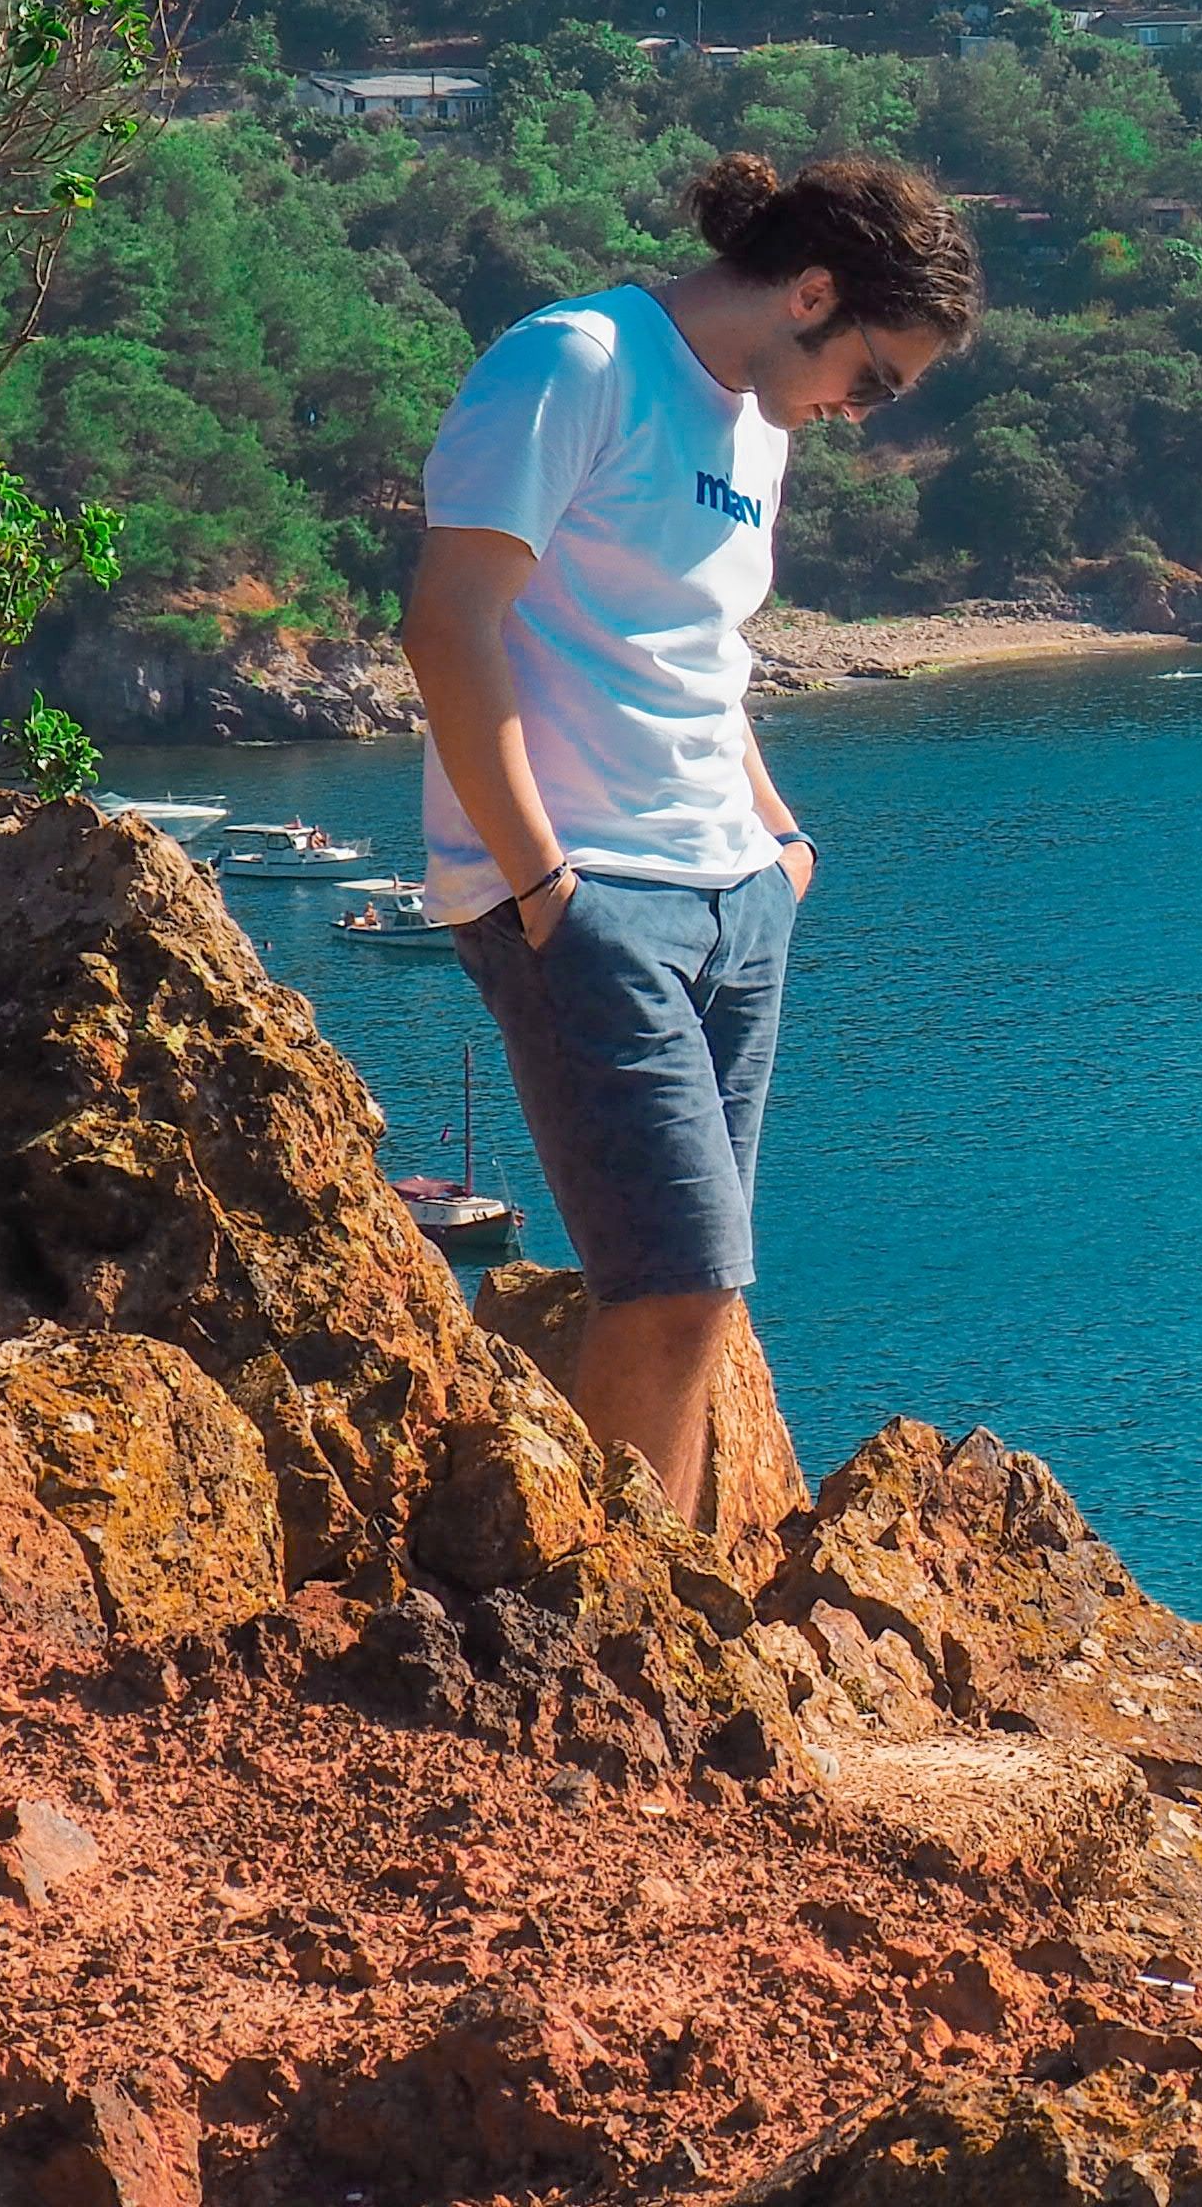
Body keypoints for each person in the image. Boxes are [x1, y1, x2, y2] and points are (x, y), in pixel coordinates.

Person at [402, 148, 980, 1523]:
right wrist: (544, 885)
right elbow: (448, 624)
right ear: (813, 292)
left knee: (699, 1289)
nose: (865, 413)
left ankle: (650, 1597)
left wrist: (782, 842)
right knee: (676, 1280)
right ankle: (613, 1620)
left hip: (733, 891)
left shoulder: (759, 425)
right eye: (875, 376)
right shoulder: (578, 363)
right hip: (592, 892)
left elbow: (699, 654)